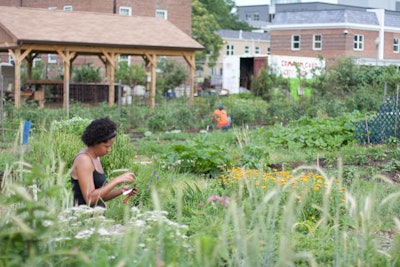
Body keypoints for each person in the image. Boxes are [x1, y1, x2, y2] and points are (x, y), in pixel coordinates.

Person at [71, 117, 137, 208]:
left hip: (96, 218)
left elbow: (100, 196)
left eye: (111, 146)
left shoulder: (96, 158)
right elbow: (90, 199)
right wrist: (116, 180)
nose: (109, 150)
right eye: (106, 146)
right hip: (83, 218)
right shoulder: (84, 160)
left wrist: (121, 190)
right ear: (95, 142)